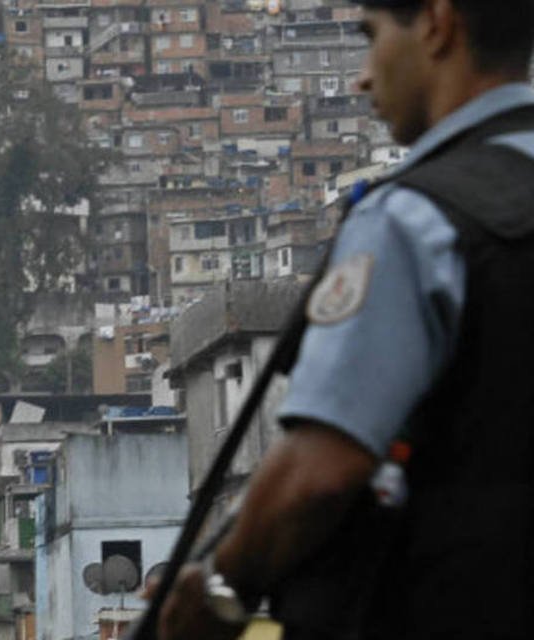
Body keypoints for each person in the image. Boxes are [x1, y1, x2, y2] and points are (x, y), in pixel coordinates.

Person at [152, 0, 534, 638]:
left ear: (437, 26)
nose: (361, 77)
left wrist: (217, 586)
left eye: (371, 35)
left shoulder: (415, 220)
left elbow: (321, 472)